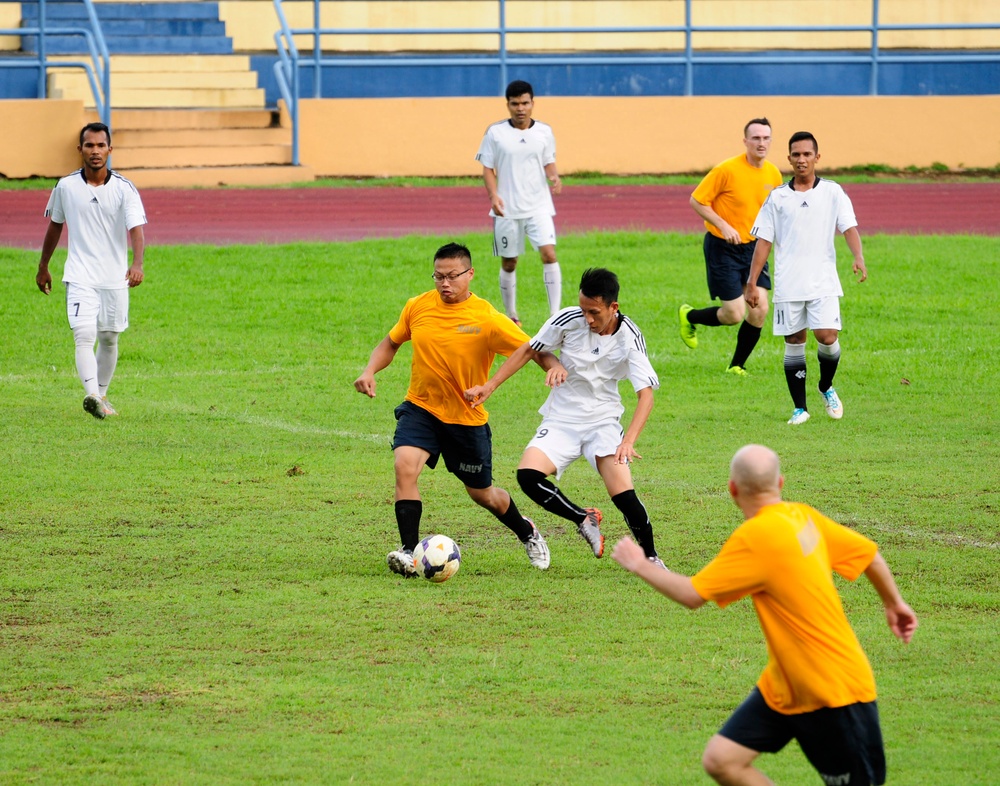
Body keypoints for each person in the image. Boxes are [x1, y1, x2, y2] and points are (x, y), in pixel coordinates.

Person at [612, 444, 918, 786]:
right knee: (722, 760)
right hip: (785, 685)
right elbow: (870, 555)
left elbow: (692, 595)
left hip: (833, 692)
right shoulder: (803, 516)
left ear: (732, 489)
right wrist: (894, 604)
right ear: (781, 483)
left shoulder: (755, 538)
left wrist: (640, 564)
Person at [353, 242, 556, 576]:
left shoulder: (488, 318)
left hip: (465, 419)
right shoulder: (417, 306)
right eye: (438, 276)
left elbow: (532, 348)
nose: (444, 284)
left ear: (470, 274)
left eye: (452, 276)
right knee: (404, 466)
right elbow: (391, 342)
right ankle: (408, 552)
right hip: (421, 408)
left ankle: (526, 531)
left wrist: (553, 367)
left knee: (484, 495)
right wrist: (369, 370)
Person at [464, 268, 663, 569]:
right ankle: (583, 517)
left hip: (603, 422)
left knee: (623, 495)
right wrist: (490, 386)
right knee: (527, 477)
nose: (588, 319)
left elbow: (645, 394)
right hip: (561, 420)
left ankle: (651, 558)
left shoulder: (629, 337)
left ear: (613, 307)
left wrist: (628, 441)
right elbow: (530, 350)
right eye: (583, 310)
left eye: (594, 312)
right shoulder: (569, 320)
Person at [745, 131, 868, 425]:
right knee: (794, 340)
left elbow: (848, 227)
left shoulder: (833, 192)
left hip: (823, 282)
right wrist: (752, 282)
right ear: (788, 158)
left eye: (807, 154)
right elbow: (764, 241)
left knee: (827, 337)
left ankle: (825, 386)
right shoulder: (777, 197)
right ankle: (800, 408)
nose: (801, 160)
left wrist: (858, 256)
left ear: (817, 158)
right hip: (789, 284)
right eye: (796, 155)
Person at [36, 122, 147, 419]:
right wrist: (43, 266)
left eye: (101, 145)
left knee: (109, 337)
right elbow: (55, 226)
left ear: (110, 149)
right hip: (79, 275)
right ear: (80, 150)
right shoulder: (66, 186)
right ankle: (92, 395)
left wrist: (137, 264)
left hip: (114, 278)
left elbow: (136, 229)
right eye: (89, 145)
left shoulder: (124, 188)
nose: (95, 151)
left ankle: (102, 394)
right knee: (84, 334)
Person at [680, 118, 783, 376]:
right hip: (722, 247)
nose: (761, 143)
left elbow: (774, 212)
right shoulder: (726, 170)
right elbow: (697, 200)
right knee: (734, 314)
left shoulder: (773, 173)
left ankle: (736, 365)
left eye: (766, 138)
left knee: (759, 309)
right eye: (756, 138)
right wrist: (723, 225)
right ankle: (689, 316)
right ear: (745, 141)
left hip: (753, 248)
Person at [475, 79, 563, 325]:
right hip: (507, 209)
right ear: (508, 105)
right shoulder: (495, 133)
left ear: (533, 103)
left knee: (549, 254)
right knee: (510, 262)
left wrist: (554, 176)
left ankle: (554, 314)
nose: (520, 108)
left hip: (538, 207)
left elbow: (548, 160)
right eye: (515, 104)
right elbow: (487, 168)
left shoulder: (544, 131)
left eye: (525, 103)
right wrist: (493, 196)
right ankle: (512, 315)